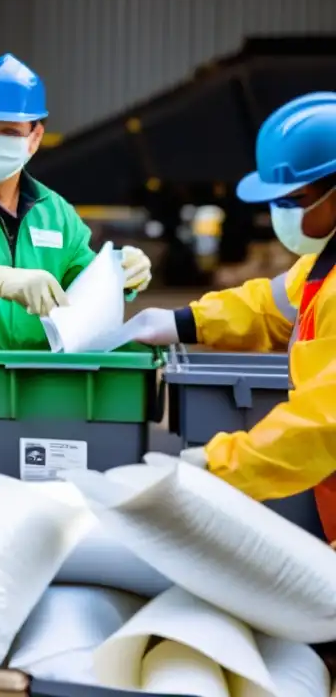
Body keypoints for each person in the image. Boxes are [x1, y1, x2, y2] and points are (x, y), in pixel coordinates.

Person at [0, 54, 152, 457]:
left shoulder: (56, 213)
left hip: (37, 401)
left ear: (35, 137)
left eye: (10, 131)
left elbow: (86, 283)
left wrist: (121, 270)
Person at [128, 91, 336, 544]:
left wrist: (220, 466)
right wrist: (184, 322)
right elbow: (267, 305)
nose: (283, 213)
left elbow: (327, 418)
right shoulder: (324, 265)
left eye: (295, 199)